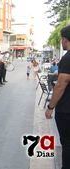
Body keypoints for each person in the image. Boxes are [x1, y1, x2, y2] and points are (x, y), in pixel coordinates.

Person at [45, 25, 70, 169]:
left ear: (64, 39)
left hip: (66, 110)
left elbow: (61, 84)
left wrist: (50, 107)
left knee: (67, 143)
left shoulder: (67, 58)